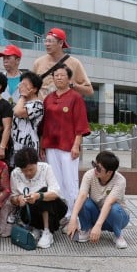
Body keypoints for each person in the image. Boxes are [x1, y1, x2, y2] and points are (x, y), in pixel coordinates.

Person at [41, 65, 90, 216]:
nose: (59, 78)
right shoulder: (49, 98)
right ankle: (61, 213)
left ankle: (74, 214)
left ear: (69, 79)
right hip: (51, 145)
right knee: (56, 180)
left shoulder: (76, 97)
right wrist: (42, 146)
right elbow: (44, 123)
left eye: (62, 75)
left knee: (70, 181)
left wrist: (77, 145)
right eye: (56, 75)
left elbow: (81, 124)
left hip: (68, 146)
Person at [66, 150, 129, 249]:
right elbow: (82, 195)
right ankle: (87, 230)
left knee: (114, 208)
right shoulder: (89, 175)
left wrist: (98, 226)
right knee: (82, 202)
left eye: (99, 168)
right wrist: (73, 219)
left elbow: (108, 203)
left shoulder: (120, 180)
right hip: (97, 213)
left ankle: (118, 235)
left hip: (115, 216)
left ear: (109, 172)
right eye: (94, 164)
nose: (95, 169)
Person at [10, 146, 66, 248]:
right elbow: (12, 198)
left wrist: (38, 196)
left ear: (36, 163)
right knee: (34, 202)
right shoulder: (15, 174)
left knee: (45, 193)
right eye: (24, 171)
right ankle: (36, 228)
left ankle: (46, 231)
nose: (28, 173)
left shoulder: (46, 168)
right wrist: (18, 199)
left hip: (52, 209)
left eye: (31, 169)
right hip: (29, 212)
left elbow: (56, 193)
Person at [30, 28, 93, 98]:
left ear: (60, 43)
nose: (47, 44)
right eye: (46, 41)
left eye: (50, 41)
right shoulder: (38, 62)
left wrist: (72, 85)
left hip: (65, 107)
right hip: (42, 107)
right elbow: (30, 86)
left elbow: (89, 91)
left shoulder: (75, 63)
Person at [11, 71, 44, 165]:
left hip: (28, 147)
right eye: (21, 83)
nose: (21, 87)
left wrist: (22, 95)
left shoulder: (38, 105)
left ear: (34, 89)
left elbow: (18, 112)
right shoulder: (21, 102)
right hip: (16, 145)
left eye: (25, 85)